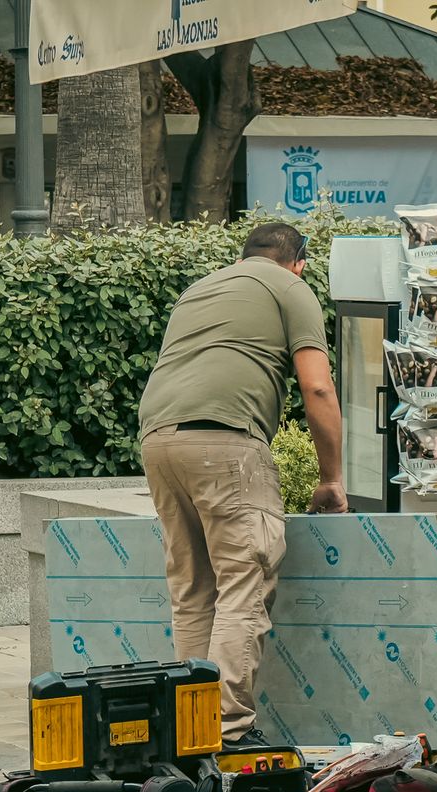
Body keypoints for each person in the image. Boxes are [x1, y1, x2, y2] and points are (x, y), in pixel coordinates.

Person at [138, 222, 347, 746]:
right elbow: (317, 387)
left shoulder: (201, 288)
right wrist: (331, 478)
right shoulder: (290, 287)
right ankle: (226, 730)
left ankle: (188, 726)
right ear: (297, 261)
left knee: (193, 590)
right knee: (243, 582)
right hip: (226, 442)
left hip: (158, 441)